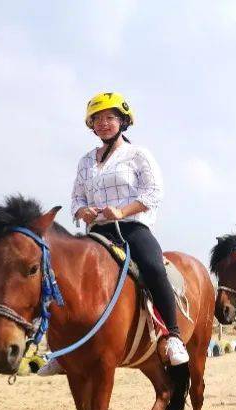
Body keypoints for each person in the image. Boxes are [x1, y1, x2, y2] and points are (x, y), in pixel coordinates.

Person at [70, 91, 188, 366]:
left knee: (153, 266)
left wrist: (122, 211)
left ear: (123, 122)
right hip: (97, 232)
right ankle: (65, 344)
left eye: (110, 117)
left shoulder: (138, 154)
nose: (103, 123)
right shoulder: (85, 161)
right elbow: (76, 197)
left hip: (132, 228)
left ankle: (172, 335)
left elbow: (154, 192)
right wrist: (82, 211)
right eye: (97, 119)